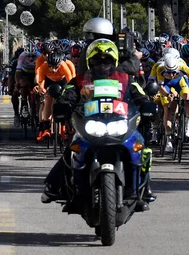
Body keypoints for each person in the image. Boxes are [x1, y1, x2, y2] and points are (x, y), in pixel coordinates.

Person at [41, 39, 155, 206]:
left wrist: (146, 104)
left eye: (107, 61)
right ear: (89, 62)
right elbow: (68, 95)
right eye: (97, 61)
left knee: (140, 145)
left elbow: (140, 94)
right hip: (90, 125)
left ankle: (144, 187)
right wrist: (63, 105)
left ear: (114, 61)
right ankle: (54, 185)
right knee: (72, 149)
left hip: (120, 124)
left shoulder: (125, 79)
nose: (102, 65)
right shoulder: (79, 81)